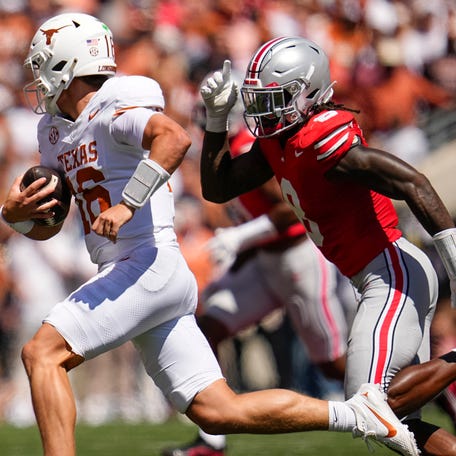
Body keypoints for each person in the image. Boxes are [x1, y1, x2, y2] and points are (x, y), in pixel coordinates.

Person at [0, 14, 419, 456]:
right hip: (142, 272)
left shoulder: (111, 107)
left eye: (43, 62)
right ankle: (357, 414)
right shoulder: (54, 130)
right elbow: (48, 226)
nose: (36, 74)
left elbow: (173, 138)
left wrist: (128, 203)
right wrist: (15, 215)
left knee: (42, 353)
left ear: (67, 62)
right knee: (218, 410)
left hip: (146, 264)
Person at [198, 36, 456, 455]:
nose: (265, 110)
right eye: (260, 100)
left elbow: (414, 183)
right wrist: (215, 120)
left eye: (276, 98)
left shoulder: (322, 140)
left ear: (308, 93)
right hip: (376, 276)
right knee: (399, 425)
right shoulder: (279, 142)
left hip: (392, 270)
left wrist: (454, 256)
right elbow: (218, 186)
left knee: (370, 405)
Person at [163, 123, 351, 456]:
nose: (204, 119)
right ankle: (212, 440)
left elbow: (292, 210)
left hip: (298, 261)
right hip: (264, 264)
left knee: (334, 367)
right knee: (206, 328)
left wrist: (241, 237)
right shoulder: (223, 146)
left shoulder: (247, 146)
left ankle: (424, 389)